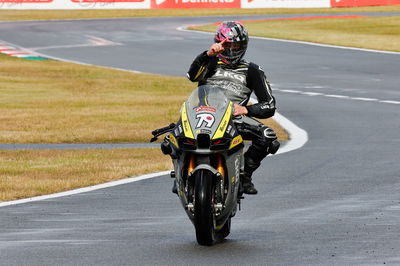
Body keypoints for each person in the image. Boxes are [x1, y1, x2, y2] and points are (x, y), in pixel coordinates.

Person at [186, 21, 280, 195]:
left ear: (243, 46)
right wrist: (208, 55)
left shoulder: (252, 70)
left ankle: (244, 176)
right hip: (201, 114)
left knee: (267, 136)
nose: (231, 49)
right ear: (219, 43)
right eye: (227, 44)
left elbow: (269, 105)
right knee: (172, 138)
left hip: (233, 118)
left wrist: (247, 110)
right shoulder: (209, 63)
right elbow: (192, 76)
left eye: (235, 45)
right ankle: (182, 175)